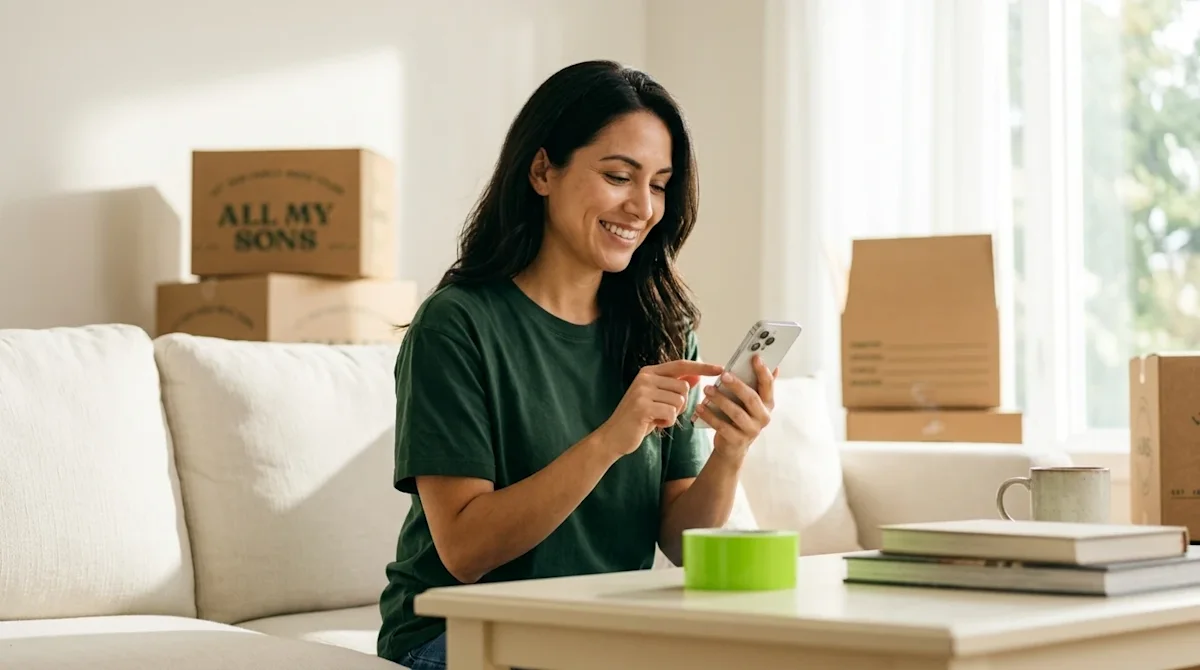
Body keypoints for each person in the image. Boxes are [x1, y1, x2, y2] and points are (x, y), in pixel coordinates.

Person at [376, 59, 778, 670]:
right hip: (458, 631)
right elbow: (464, 549)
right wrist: (613, 439)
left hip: (600, 629)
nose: (642, 206)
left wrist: (730, 452)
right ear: (543, 170)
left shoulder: (663, 328)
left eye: (661, 184)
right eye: (619, 175)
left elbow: (681, 544)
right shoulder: (456, 325)